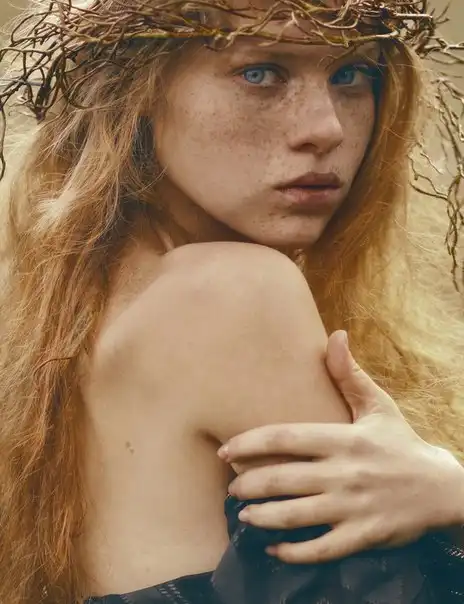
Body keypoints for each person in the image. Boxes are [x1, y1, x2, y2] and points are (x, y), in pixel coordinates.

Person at [0, 0, 463, 603]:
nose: (327, 127)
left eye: (352, 73)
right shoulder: (235, 292)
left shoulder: (54, 313)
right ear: (134, 91)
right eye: (261, 73)